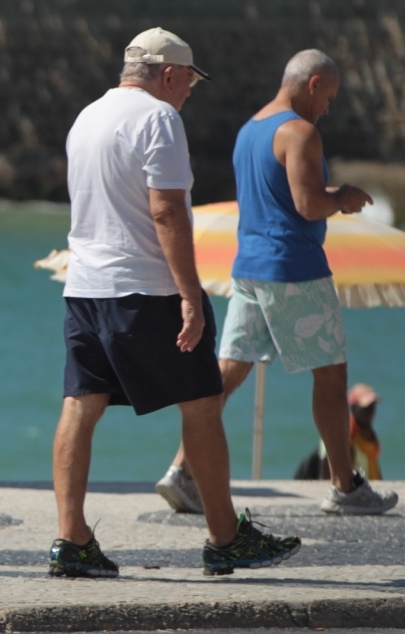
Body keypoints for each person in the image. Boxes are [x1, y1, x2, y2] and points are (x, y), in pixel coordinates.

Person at [53, 27, 301, 579]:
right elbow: (167, 212)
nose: (189, 91)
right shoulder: (159, 118)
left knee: (80, 404)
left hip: (85, 287)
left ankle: (72, 540)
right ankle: (225, 538)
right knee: (203, 402)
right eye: (188, 80)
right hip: (146, 289)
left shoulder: (86, 116)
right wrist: (191, 294)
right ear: (168, 74)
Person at [154, 49, 398, 516]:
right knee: (330, 373)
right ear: (312, 84)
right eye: (328, 96)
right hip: (294, 268)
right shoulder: (301, 131)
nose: (328, 107)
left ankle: (182, 470)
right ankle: (345, 487)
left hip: (249, 266)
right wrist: (341, 197)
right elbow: (307, 205)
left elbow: (278, 197)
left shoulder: (250, 131)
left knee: (229, 370)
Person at [296, 383, 384, 481]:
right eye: (366, 408)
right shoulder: (337, 435)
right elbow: (325, 477)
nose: (371, 412)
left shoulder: (369, 438)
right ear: (353, 408)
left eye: (372, 407)